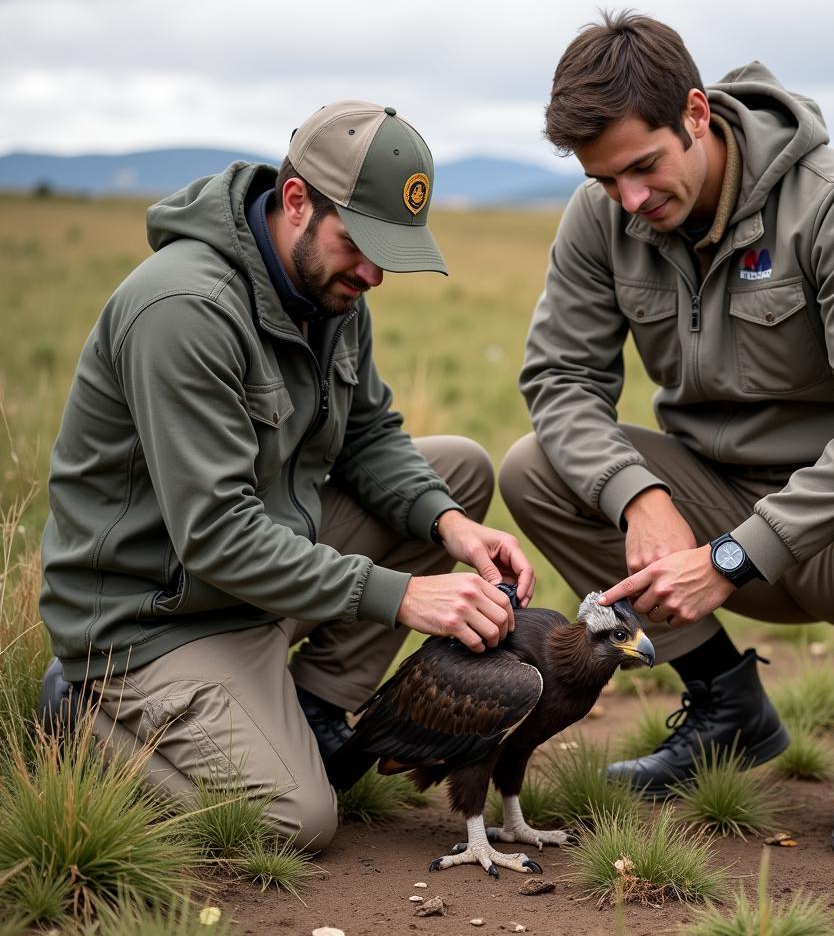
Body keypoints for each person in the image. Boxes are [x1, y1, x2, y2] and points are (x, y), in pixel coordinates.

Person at [499, 12, 834, 854]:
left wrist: (737, 556)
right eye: (606, 180)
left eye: (644, 169)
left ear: (696, 113)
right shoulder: (601, 215)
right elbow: (560, 382)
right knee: (535, 465)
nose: (631, 202)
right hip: (705, 507)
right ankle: (726, 705)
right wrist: (640, 497)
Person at [39, 100, 534, 850]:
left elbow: (369, 435)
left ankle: (311, 709)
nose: (372, 273)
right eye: (359, 243)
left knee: (456, 473)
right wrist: (405, 597)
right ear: (296, 199)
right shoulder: (184, 309)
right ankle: (83, 721)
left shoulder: (332, 292)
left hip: (258, 578)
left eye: (388, 253)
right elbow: (215, 536)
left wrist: (452, 528)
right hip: (156, 618)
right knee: (298, 820)